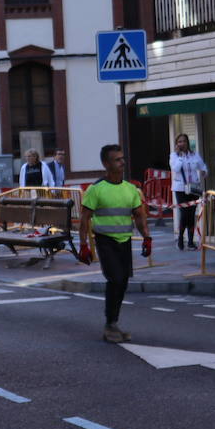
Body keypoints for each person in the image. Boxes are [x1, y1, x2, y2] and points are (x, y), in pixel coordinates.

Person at [78, 144, 151, 344]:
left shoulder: (130, 189)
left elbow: (139, 215)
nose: (122, 162)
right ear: (106, 163)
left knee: (123, 282)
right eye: (117, 159)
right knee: (116, 279)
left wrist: (147, 237)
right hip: (105, 241)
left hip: (124, 241)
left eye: (122, 158)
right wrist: (83, 245)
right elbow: (84, 219)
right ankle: (110, 324)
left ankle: (113, 323)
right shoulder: (96, 190)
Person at [168, 134, 208, 250]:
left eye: (184, 141)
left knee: (191, 214)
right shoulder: (174, 156)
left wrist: (204, 172)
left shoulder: (194, 155)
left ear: (187, 143)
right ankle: (180, 237)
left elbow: (202, 166)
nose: (182, 144)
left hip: (193, 188)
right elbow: (175, 169)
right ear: (176, 144)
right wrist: (180, 157)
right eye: (179, 142)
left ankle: (190, 241)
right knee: (184, 214)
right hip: (180, 188)